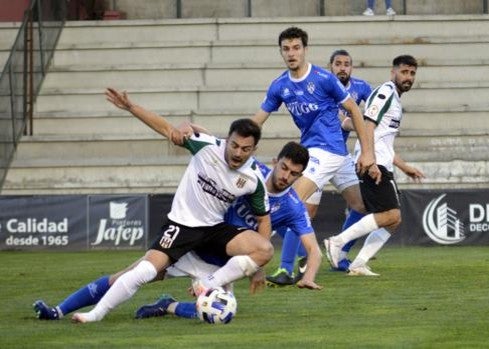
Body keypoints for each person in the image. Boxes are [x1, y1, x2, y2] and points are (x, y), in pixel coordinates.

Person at [33, 88, 273, 322]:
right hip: (182, 227)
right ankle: (71, 312)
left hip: (213, 232)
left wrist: (257, 268)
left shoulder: (253, 178)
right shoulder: (207, 146)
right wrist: (130, 107)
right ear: (226, 140)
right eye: (234, 145)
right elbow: (166, 128)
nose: (238, 153)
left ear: (254, 150)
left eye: (245, 149)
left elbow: (263, 220)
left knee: (260, 255)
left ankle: (197, 289)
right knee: (139, 273)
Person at [134, 141, 324, 320]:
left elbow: (314, 250)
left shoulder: (293, 207)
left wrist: (308, 277)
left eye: (293, 173)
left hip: (224, 261)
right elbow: (218, 145)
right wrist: (191, 130)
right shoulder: (251, 172)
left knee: (221, 310)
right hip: (196, 239)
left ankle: (167, 305)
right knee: (139, 274)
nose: (286, 176)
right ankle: (104, 297)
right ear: (276, 161)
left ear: (300, 176)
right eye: (284, 168)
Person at [269, 49, 373, 281]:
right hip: (318, 154)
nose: (342, 68)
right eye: (338, 64)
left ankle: (339, 250)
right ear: (331, 66)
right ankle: (287, 265)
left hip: (341, 156)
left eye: (347, 64)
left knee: (363, 205)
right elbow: (342, 120)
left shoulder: (361, 88)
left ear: (352, 68)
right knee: (303, 209)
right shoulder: (323, 84)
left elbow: (374, 110)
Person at [325, 55, 421, 276]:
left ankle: (358, 263)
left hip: (381, 161)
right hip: (373, 162)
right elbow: (369, 123)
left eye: (412, 73)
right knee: (390, 215)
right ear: (393, 72)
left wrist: (404, 166)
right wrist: (369, 158)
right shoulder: (385, 92)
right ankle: (337, 242)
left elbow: (367, 126)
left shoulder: (395, 98)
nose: (408, 77)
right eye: (404, 72)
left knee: (393, 220)